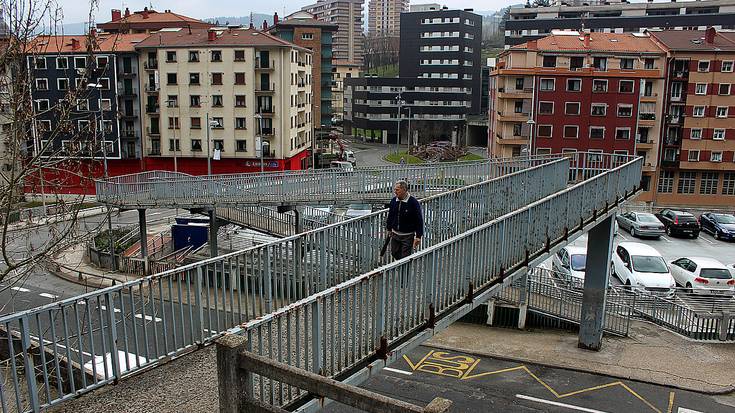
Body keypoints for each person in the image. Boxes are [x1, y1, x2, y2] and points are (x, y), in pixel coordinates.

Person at [386, 180, 424, 260]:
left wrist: (418, 236)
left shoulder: (413, 202)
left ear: (404, 190)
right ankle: (401, 267)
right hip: (395, 234)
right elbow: (390, 215)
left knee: (405, 258)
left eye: (397, 190)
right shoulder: (393, 201)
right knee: (394, 252)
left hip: (407, 235)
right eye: (395, 189)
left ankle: (404, 271)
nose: (395, 192)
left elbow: (419, 219)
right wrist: (389, 228)